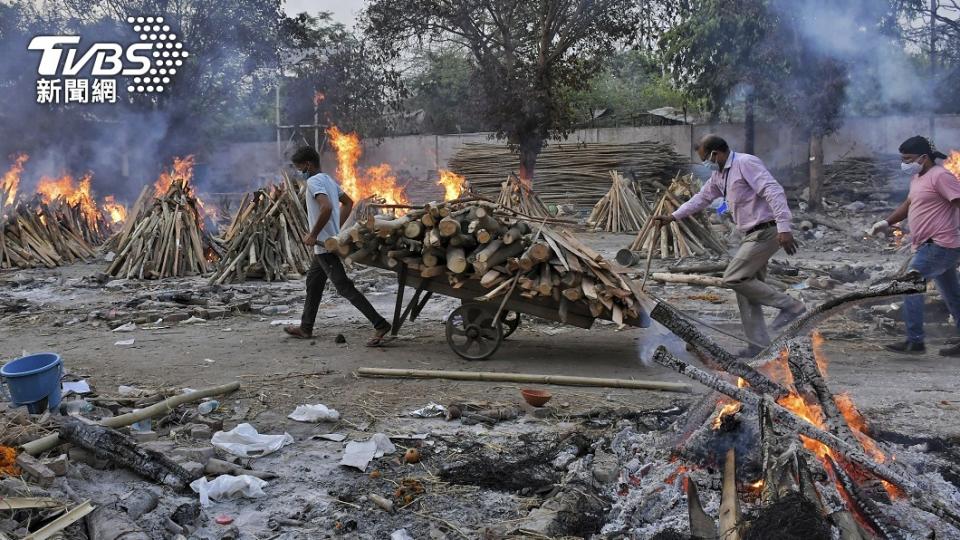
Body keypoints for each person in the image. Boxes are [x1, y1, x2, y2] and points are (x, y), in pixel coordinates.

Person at [654, 135, 806, 357]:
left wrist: (784, 228)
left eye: (706, 158)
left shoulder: (746, 163)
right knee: (745, 289)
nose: (705, 163)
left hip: (766, 231)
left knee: (733, 277)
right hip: (752, 234)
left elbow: (773, 191)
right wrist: (673, 217)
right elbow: (701, 198)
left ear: (717, 153)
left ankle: (791, 306)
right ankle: (759, 346)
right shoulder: (719, 176)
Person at [283, 146, 392, 346]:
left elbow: (327, 207)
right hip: (325, 244)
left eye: (300, 168)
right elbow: (348, 203)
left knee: (344, 287)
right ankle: (306, 327)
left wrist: (314, 234)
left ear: (308, 164)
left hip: (324, 246)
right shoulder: (327, 179)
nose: (299, 172)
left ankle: (380, 323)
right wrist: (336, 229)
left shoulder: (314, 181)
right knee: (313, 284)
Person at [868, 136, 960, 356]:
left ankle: (915, 340)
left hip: (939, 244)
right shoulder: (919, 177)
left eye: (908, 158)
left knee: (909, 285)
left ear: (924, 157)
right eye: (903, 158)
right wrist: (886, 222)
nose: (904, 163)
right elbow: (909, 204)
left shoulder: (941, 176)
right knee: (952, 295)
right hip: (930, 245)